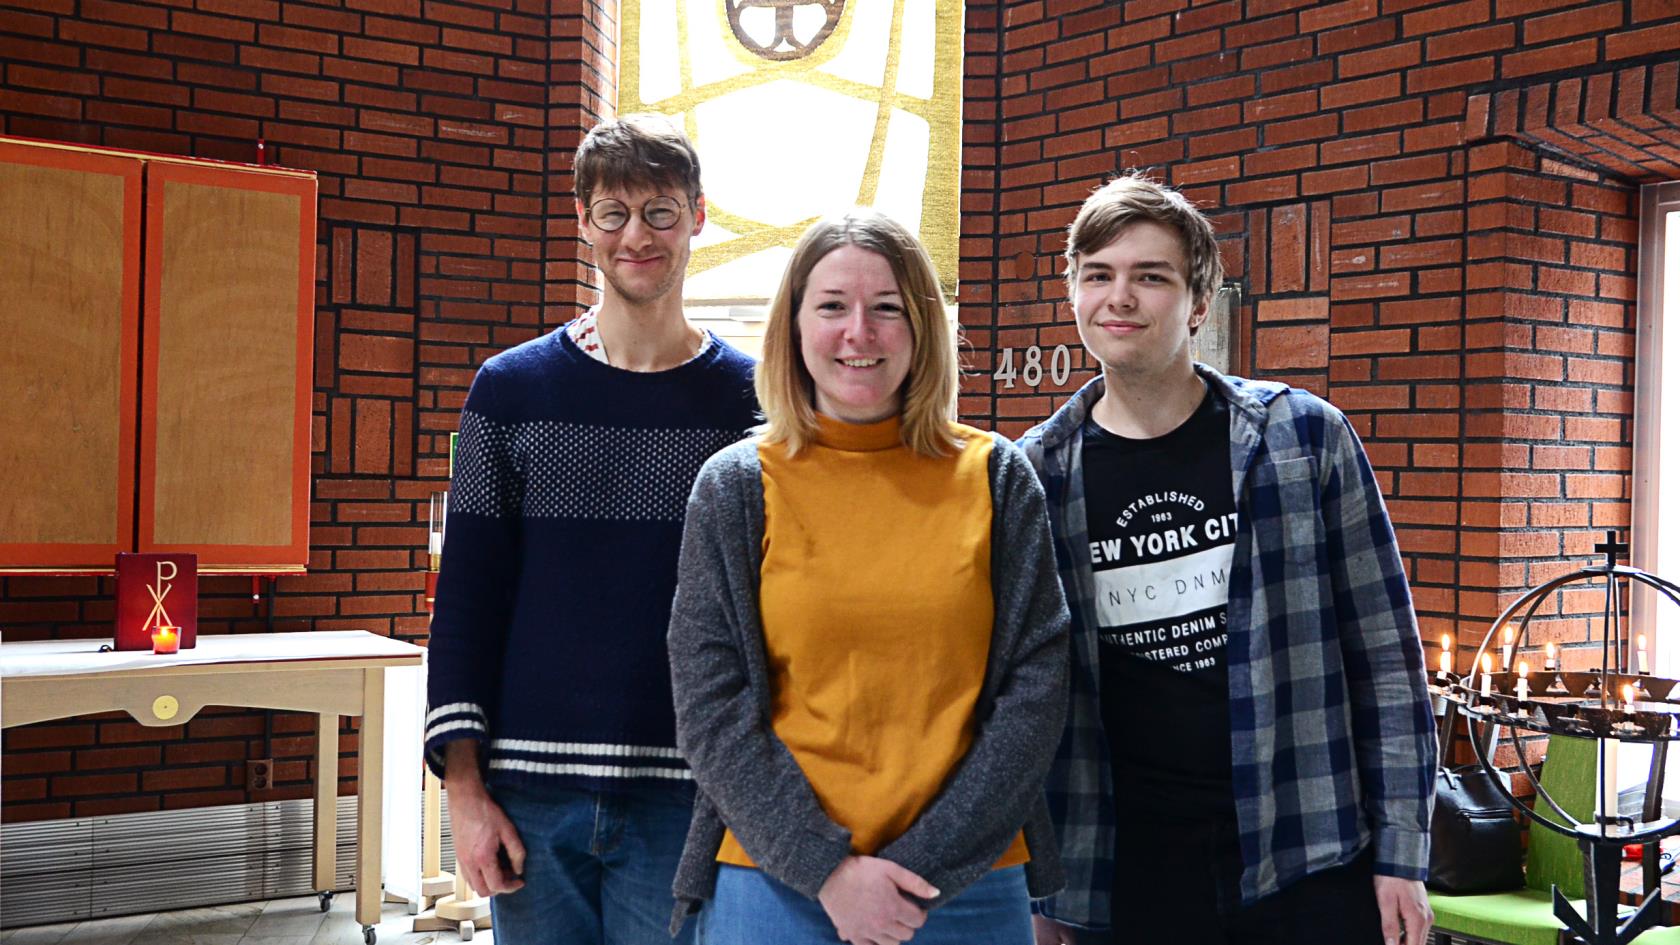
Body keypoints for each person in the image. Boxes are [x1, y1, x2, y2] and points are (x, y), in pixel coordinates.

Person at [1020, 175, 1436, 945]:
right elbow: (1029, 699)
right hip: (1124, 864)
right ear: (1073, 291)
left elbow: (1385, 657)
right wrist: (1048, 893)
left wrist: (1402, 855)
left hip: (1303, 848)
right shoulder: (1033, 476)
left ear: (1199, 303)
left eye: (1151, 276)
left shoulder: (1303, 437)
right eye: (1099, 274)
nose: (1121, 297)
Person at [665, 208, 1071, 945]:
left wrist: (919, 870)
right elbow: (709, 704)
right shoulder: (735, 486)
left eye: (887, 308)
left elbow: (1036, 690)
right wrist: (828, 869)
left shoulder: (997, 477)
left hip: (969, 883)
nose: (860, 332)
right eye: (832, 307)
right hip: (775, 882)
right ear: (792, 326)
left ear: (921, 328)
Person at [423, 114, 759, 945]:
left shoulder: (753, 404)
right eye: (613, 213)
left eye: (660, 212)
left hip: (686, 793)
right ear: (583, 222)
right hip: (531, 798)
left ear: (699, 217)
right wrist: (463, 795)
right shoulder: (509, 390)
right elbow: (465, 598)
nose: (636, 235)